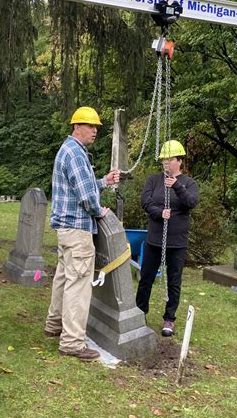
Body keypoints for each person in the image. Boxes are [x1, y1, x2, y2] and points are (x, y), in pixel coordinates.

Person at [45, 106, 120, 361]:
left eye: (97, 126)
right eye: (90, 126)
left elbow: (83, 186)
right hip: (77, 230)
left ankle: (53, 325)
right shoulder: (76, 154)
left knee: (64, 278)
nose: (95, 130)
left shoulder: (70, 151)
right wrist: (98, 211)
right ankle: (72, 342)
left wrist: (104, 182)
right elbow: (86, 197)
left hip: (66, 229)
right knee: (78, 285)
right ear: (76, 126)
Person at [136, 140, 199, 337]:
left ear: (179, 161)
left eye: (170, 159)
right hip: (155, 239)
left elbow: (191, 202)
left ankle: (169, 319)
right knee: (146, 278)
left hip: (176, 241)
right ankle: (139, 313)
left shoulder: (188, 183)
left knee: (174, 281)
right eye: (163, 159)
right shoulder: (154, 180)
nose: (166, 163)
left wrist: (177, 186)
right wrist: (158, 212)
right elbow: (145, 201)